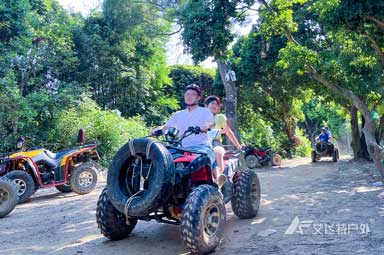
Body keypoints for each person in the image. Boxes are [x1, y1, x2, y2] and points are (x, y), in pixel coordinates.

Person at [151, 84, 216, 164]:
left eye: (193, 94)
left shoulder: (205, 111)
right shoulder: (178, 114)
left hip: (200, 147)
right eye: (187, 94)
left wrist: (204, 127)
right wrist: (156, 131)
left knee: (200, 163)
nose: (189, 96)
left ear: (198, 98)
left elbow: (211, 123)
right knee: (162, 161)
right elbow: (166, 126)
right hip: (181, 148)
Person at [205, 95, 243, 186]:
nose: (215, 106)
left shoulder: (220, 117)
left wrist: (238, 146)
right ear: (206, 106)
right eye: (212, 103)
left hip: (215, 142)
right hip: (202, 143)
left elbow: (228, 132)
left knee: (217, 153)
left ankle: (218, 180)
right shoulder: (200, 117)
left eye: (217, 104)